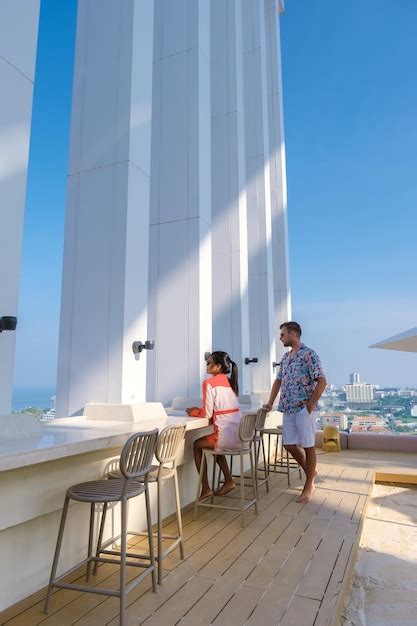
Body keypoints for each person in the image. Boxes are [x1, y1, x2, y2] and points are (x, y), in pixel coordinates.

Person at [264, 321, 327, 503]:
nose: (280, 337)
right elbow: (278, 381)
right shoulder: (285, 358)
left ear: (293, 334)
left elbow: (322, 381)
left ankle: (309, 486)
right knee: (289, 445)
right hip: (288, 408)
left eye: (283, 334)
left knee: (308, 446)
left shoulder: (309, 354)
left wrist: (309, 406)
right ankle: (311, 472)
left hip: (303, 408)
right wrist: (270, 402)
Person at [187, 351, 241, 500]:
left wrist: (193, 411)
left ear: (217, 367)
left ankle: (205, 489)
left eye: (209, 362)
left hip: (225, 436)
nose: (207, 364)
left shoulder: (209, 383)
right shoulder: (230, 382)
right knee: (216, 445)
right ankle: (228, 480)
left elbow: (206, 414)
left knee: (197, 444)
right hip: (239, 435)